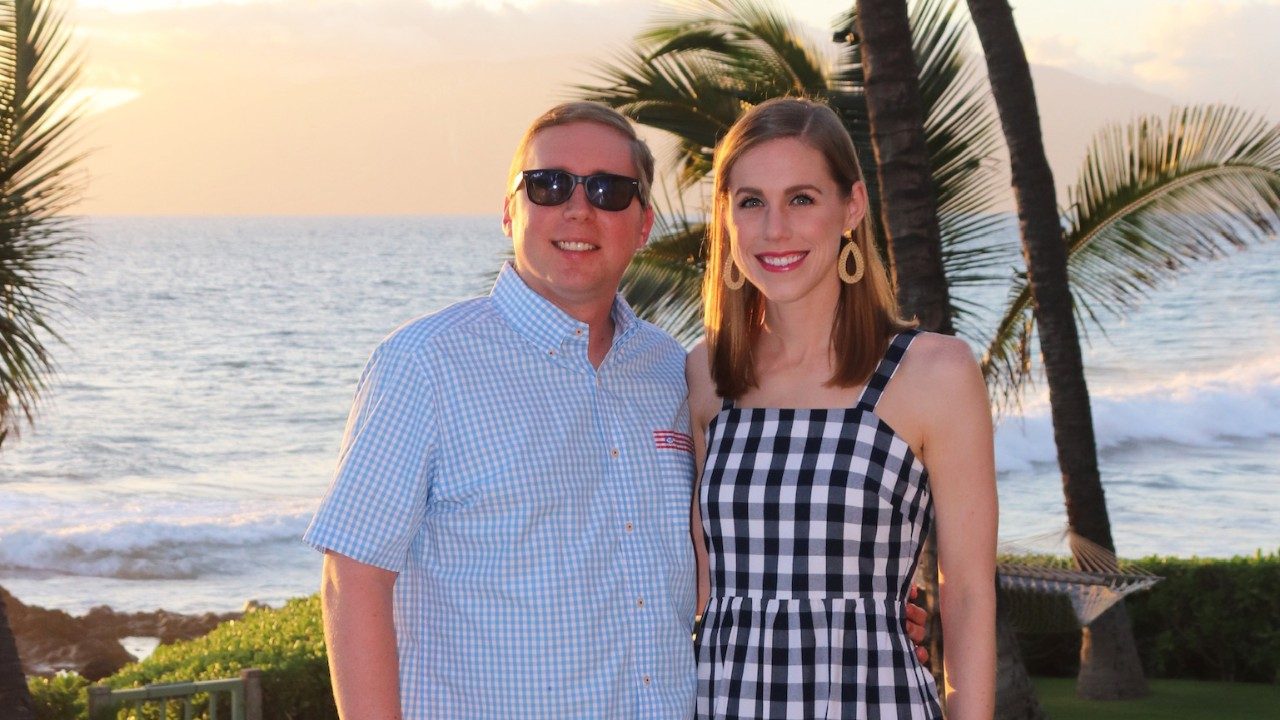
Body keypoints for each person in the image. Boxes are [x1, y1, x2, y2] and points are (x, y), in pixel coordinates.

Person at [304, 101, 928, 720]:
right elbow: (353, 579)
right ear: (507, 209)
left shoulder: (672, 370)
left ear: (644, 224)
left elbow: (728, 547)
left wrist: (860, 593)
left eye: (608, 190)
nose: (577, 208)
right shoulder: (425, 364)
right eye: (547, 185)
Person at [686, 97, 997, 720]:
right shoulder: (707, 374)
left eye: (802, 198)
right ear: (727, 218)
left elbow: (965, 594)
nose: (775, 229)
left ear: (851, 207)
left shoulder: (934, 372)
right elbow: (698, 589)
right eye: (751, 202)